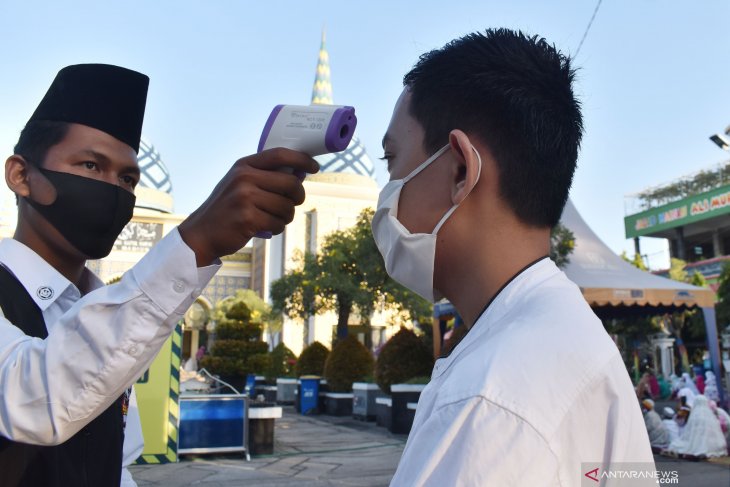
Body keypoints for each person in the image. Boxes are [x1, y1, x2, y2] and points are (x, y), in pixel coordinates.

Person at [0, 64, 318, 486]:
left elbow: (116, 463)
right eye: (91, 166)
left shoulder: (103, 309)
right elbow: (33, 399)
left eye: (128, 178)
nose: (114, 190)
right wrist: (196, 242)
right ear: (21, 175)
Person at [372, 29, 655, 486]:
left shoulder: (489, 401)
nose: (384, 196)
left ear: (461, 170)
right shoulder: (561, 334)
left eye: (391, 161)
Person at [666, 395, 727, 459]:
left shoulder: (694, 415)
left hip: (695, 439)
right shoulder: (709, 415)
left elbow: (689, 431)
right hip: (711, 442)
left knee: (676, 445)